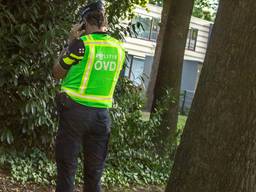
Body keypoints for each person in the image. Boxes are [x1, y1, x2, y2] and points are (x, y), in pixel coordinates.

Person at [52, 1, 125, 191]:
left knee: (67, 169)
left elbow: (57, 72)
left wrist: (70, 42)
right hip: (101, 117)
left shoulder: (80, 45)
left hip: (75, 115)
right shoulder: (118, 48)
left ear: (84, 22)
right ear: (104, 21)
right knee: (94, 175)